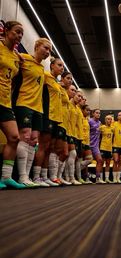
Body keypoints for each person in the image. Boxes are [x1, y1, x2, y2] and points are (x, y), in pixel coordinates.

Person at [14, 37, 52, 187]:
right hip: (24, 103)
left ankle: (28, 177)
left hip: (38, 109)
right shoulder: (23, 58)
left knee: (34, 140)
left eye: (50, 50)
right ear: (37, 46)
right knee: (25, 136)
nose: (48, 52)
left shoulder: (42, 68)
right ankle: (22, 176)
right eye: (46, 48)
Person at [0, 20, 25, 189]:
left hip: (5, 102)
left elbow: (13, 80)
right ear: (6, 30)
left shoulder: (17, 57)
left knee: (14, 137)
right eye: (17, 31)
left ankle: (6, 177)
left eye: (21, 33)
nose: (19, 35)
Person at [32, 57, 64, 187]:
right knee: (43, 147)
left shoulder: (56, 82)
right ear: (52, 66)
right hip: (47, 116)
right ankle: (35, 176)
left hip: (56, 118)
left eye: (62, 66)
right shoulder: (45, 75)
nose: (62, 68)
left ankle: (44, 177)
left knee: (50, 148)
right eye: (59, 65)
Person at [89, 109, 105, 184]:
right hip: (88, 144)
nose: (98, 114)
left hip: (95, 146)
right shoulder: (89, 121)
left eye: (99, 113)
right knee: (87, 161)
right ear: (93, 113)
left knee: (100, 160)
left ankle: (97, 178)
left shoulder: (99, 123)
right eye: (97, 113)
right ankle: (85, 178)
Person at [112, 112, 121, 183]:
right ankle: (114, 178)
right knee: (115, 161)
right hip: (115, 145)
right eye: (119, 115)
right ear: (117, 117)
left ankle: (118, 178)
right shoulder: (114, 123)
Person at [99, 115, 114, 183]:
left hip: (109, 148)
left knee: (108, 163)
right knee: (102, 163)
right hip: (103, 147)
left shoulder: (113, 128)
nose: (109, 121)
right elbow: (98, 137)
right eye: (108, 119)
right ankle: (101, 178)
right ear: (105, 120)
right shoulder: (101, 127)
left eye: (110, 119)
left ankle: (107, 178)